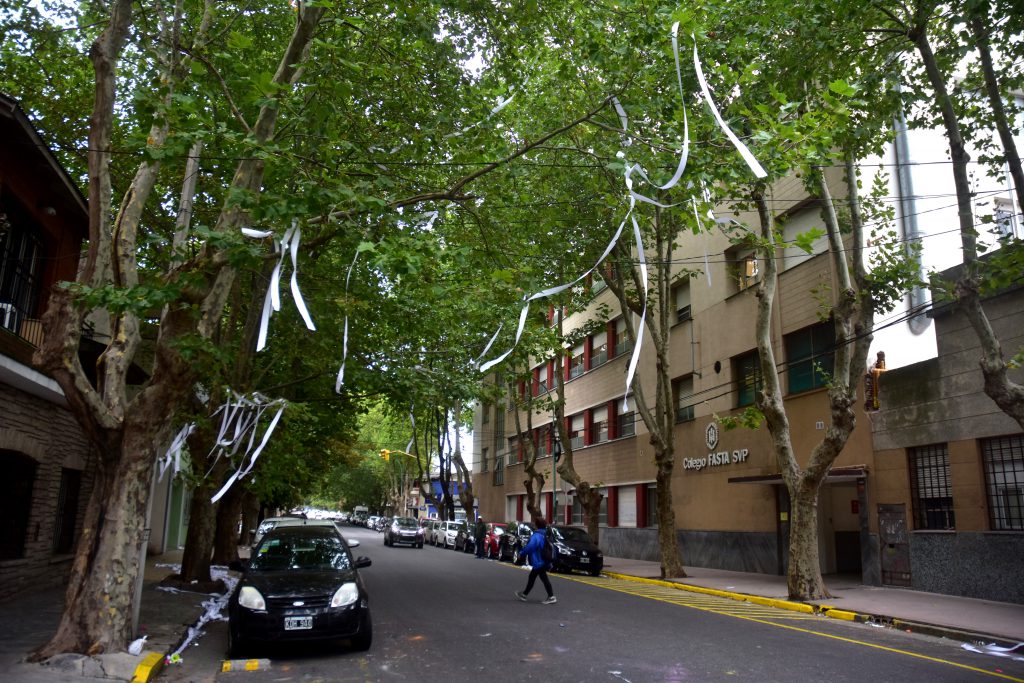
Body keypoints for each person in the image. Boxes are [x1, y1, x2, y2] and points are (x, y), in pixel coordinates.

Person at [514, 516, 556, 604]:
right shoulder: (544, 534)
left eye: (535, 524)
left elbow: (530, 547)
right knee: (533, 577)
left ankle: (551, 596)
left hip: (538, 561)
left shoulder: (536, 536)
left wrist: (521, 554)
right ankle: (524, 594)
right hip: (543, 560)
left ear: (537, 525)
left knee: (542, 578)